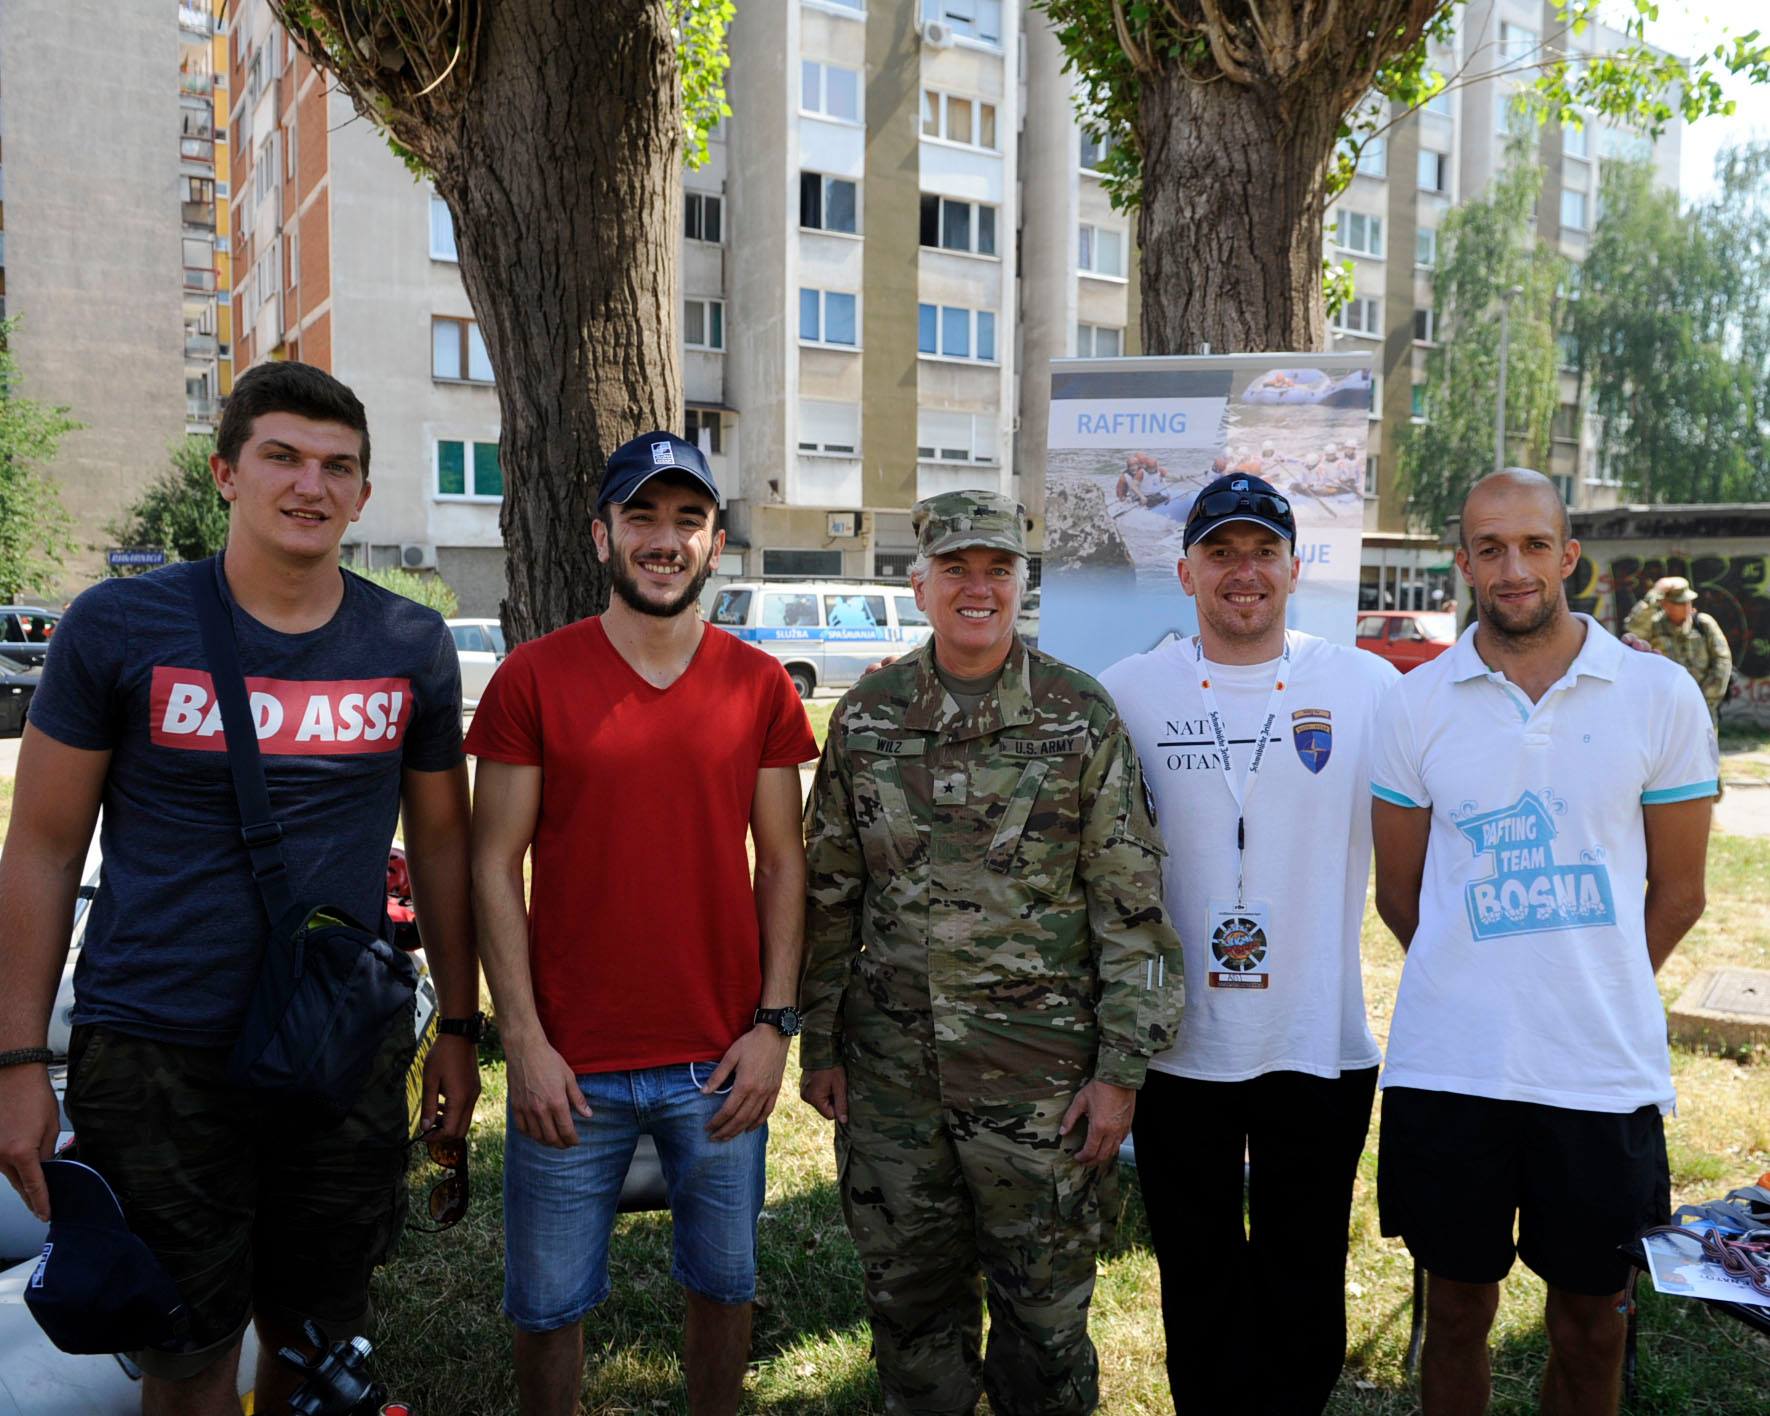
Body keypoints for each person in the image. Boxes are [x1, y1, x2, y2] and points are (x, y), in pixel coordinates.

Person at [0, 360, 481, 1416]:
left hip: (335, 1045)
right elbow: (39, 846)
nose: (311, 484)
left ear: (364, 492)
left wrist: (457, 1025)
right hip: (156, 1044)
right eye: (282, 457)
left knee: (320, 1340)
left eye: (338, 466)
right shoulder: (117, 628)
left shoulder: (409, 643)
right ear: (224, 473)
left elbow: (444, 845)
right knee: (188, 1355)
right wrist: (18, 1061)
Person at [799, 490, 1182, 1416]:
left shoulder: (1078, 715)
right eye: (957, 569)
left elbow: (1130, 906)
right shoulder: (867, 717)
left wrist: (1120, 1072)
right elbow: (830, 892)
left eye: (998, 569)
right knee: (909, 1308)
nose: (980, 588)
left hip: (1040, 1082)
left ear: (1021, 583)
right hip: (893, 1081)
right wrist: (819, 1043)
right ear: (919, 583)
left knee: (1045, 1327)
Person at [467, 431, 817, 1416]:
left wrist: (774, 1026)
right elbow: (492, 864)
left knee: (724, 1287)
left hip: (719, 1060)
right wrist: (523, 1042)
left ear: (715, 544)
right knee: (547, 1307)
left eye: (688, 519)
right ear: (602, 536)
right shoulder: (534, 677)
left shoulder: (757, 683)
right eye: (642, 517)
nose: (665, 540)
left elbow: (783, 863)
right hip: (568, 1067)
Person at [1370, 469, 1716, 1416]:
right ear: (1464, 562)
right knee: (1455, 1314)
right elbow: (1398, 893)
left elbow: (1680, 893)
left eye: (1532, 545)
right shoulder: (1415, 702)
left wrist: (1587, 976)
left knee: (1593, 1326)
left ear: (1569, 556)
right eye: (1490, 548)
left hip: (1598, 1073)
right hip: (1451, 1069)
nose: (1512, 568)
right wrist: (1482, 973)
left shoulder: (1658, 693)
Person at [1100, 472, 1400, 1415]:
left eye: (1264, 551)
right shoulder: (1127, 691)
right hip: (1177, 1044)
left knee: (1304, 1270)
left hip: (1315, 1038)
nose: (1244, 571)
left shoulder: (1367, 686)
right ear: (1184, 572)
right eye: (1221, 552)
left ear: (1296, 569)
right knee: (1196, 1275)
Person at [1638, 577, 1733, 733]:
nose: (1687, 606)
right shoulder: (1654, 625)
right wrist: (1655, 593)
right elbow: (1633, 627)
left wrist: (1705, 698)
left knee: (1704, 745)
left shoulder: (1703, 624)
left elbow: (1722, 661)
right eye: (1680, 603)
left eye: (1688, 601)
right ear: (1665, 604)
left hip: (1703, 704)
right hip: (1666, 707)